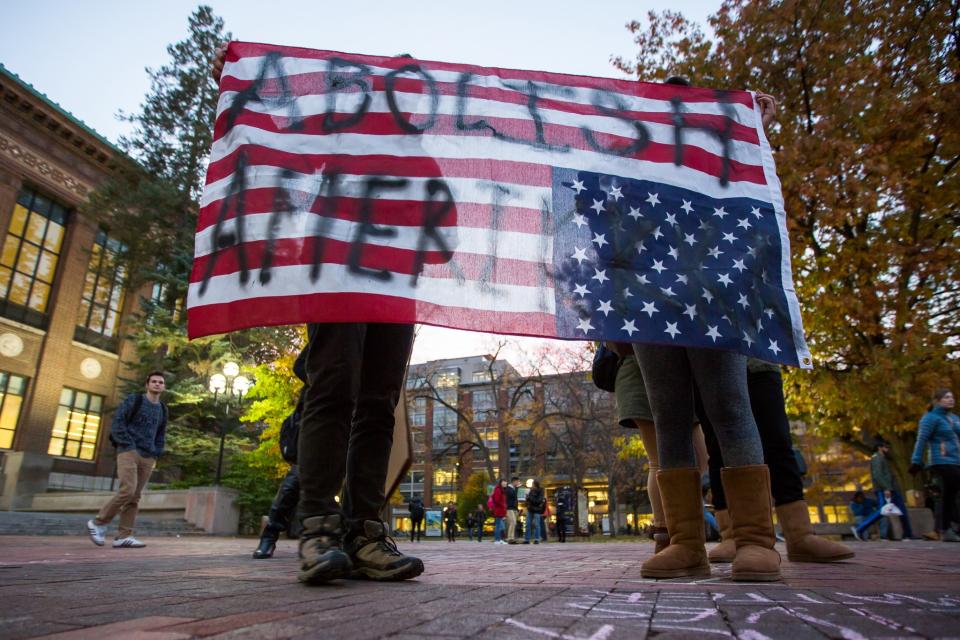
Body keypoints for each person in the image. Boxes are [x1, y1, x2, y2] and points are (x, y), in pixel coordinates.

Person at [213, 46, 424, 584]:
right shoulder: (337, 133)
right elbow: (279, 146)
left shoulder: (422, 157)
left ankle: (365, 533)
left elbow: (442, 232)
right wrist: (243, 80)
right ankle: (319, 530)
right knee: (332, 390)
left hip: (396, 288)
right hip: (336, 277)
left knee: (378, 405)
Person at [634, 77, 783, 582]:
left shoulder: (715, 155)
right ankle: (685, 544)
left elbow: (754, 193)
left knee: (729, 406)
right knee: (669, 414)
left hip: (714, 297)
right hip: (649, 303)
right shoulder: (629, 156)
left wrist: (753, 130)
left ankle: (757, 541)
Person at [699, 359, 854, 563]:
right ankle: (731, 535)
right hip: (709, 359)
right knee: (719, 445)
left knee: (778, 439)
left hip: (759, 354)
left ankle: (800, 534)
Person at [613, 348, 709, 553]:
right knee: (658, 461)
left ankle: (683, 530)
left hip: (680, 377)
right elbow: (613, 342)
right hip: (640, 376)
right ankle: (664, 533)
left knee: (699, 459)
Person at [86, 372, 168, 548]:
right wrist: (128, 444)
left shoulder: (162, 409)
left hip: (148, 455)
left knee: (135, 497)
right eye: (153, 381)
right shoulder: (135, 400)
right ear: (147, 385)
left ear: (164, 387)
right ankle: (99, 523)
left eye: (160, 382)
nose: (157, 384)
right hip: (128, 451)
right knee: (128, 490)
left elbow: (161, 433)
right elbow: (118, 422)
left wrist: (156, 451)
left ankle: (124, 536)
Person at [254, 347, 308, 559]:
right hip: (316, 415)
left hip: (352, 420)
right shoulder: (330, 327)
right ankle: (270, 534)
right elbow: (300, 365)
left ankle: (340, 538)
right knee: (294, 482)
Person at [909, 388, 960, 542]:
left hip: (956, 461)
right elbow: (921, 440)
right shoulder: (930, 418)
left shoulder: (954, 418)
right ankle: (945, 529)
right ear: (937, 401)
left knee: (951, 496)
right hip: (940, 461)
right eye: (946, 397)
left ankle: (947, 528)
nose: (951, 399)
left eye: (952, 397)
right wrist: (916, 461)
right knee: (948, 495)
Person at [853, 441, 915, 541]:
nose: (888, 449)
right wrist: (887, 488)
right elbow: (878, 475)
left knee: (902, 511)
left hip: (891, 489)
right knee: (882, 511)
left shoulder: (882, 458)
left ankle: (908, 534)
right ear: (880, 448)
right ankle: (860, 529)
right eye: (886, 447)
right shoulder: (877, 458)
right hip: (885, 490)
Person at [524, 479, 546, 544]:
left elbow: (538, 501)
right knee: (528, 524)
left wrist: (530, 498)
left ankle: (537, 539)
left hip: (537, 510)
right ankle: (527, 539)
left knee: (537, 525)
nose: (532, 485)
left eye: (533, 484)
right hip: (530, 509)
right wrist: (527, 499)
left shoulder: (541, 490)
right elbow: (529, 500)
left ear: (535, 484)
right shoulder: (531, 490)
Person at [490, 479, 508, 544]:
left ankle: (499, 539)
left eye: (505, 482)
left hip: (501, 510)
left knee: (500, 526)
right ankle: (497, 540)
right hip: (499, 510)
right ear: (500, 483)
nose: (505, 483)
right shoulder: (498, 489)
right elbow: (497, 500)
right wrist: (503, 505)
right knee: (498, 526)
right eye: (503, 482)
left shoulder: (502, 490)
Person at [504, 477, 520, 543]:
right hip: (509, 508)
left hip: (514, 508)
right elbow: (512, 495)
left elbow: (515, 499)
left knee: (513, 523)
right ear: (514, 481)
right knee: (513, 522)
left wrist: (517, 509)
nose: (518, 483)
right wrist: (516, 488)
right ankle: (510, 537)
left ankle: (511, 537)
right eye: (517, 481)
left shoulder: (513, 488)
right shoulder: (508, 489)